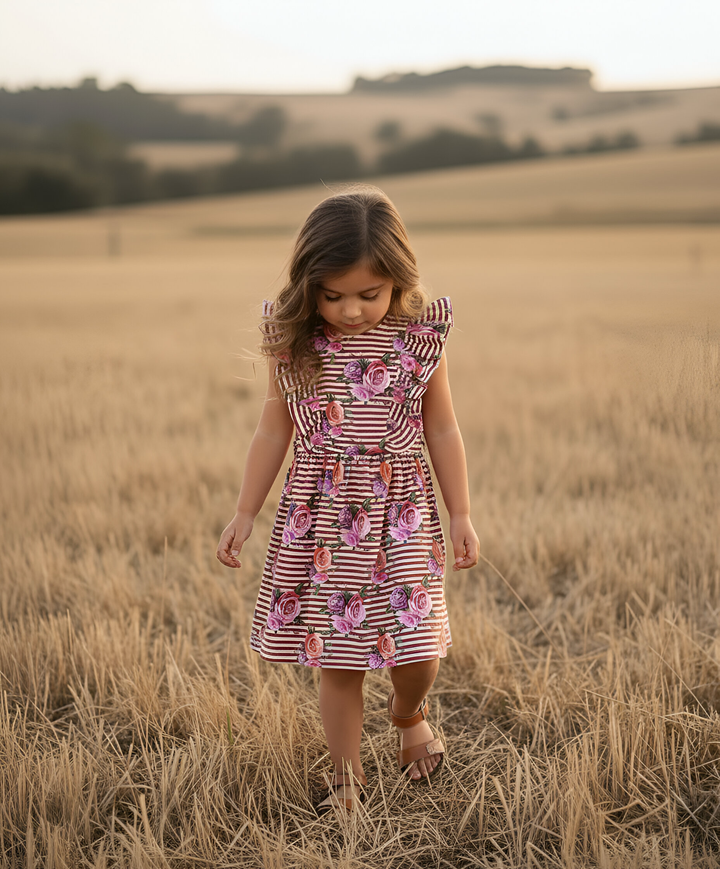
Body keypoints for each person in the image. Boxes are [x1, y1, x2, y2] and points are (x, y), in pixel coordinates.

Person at [216, 186, 479, 812]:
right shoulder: (296, 345)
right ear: (309, 286)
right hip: (326, 519)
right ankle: (345, 774)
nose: (351, 310)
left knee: (419, 644)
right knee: (338, 656)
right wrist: (245, 511)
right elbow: (272, 431)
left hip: (402, 511)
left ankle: (408, 711)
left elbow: (443, 428)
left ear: (398, 281)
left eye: (369, 294)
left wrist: (461, 512)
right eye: (332, 296)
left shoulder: (418, 342)